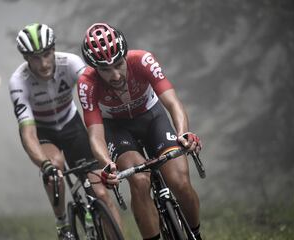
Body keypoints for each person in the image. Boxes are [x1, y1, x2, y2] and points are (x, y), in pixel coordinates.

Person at [78, 22, 203, 240]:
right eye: (105, 69)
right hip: (118, 130)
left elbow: (173, 103)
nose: (115, 75)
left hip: (152, 118)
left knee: (180, 182)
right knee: (140, 180)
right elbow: (95, 135)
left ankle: (196, 234)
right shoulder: (87, 84)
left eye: (118, 64)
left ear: (125, 55)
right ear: (94, 68)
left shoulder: (143, 60)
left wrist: (183, 133)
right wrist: (107, 164)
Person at [9, 23, 122, 240]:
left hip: (72, 125)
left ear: (54, 49)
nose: (43, 63)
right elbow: (28, 134)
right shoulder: (18, 82)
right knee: (55, 171)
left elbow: (96, 96)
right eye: (35, 58)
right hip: (44, 132)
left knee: (101, 193)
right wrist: (45, 164)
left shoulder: (70, 63)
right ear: (25, 58)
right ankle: (62, 224)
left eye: (47, 54)